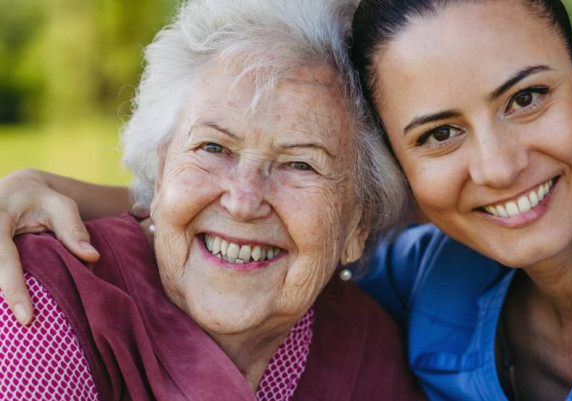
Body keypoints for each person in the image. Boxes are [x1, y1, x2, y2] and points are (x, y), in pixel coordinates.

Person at [2, 0, 572, 400]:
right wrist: (83, 191)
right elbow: (277, 233)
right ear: (403, 175)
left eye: (527, 98)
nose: (501, 165)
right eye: (440, 133)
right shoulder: (435, 272)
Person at [0, 0, 427, 400]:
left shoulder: (371, 350)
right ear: (162, 167)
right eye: (213, 148)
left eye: (300, 165)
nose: (243, 201)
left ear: (358, 225)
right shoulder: (39, 298)